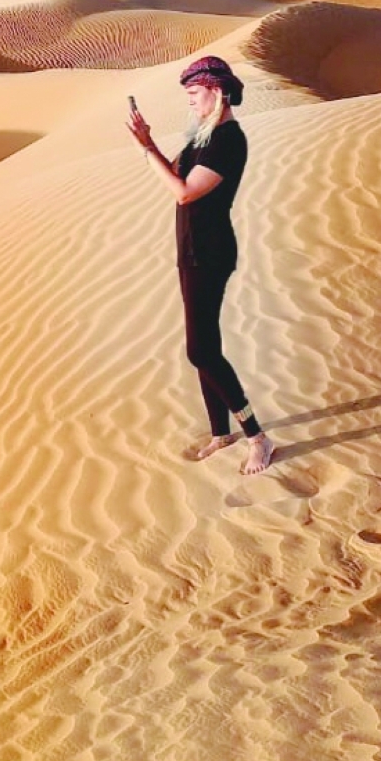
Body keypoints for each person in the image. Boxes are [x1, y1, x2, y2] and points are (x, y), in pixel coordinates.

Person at [126, 56, 274, 475]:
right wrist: (148, 143)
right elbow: (174, 171)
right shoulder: (202, 136)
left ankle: (257, 438)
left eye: (194, 94)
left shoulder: (228, 139)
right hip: (191, 249)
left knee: (200, 350)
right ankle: (220, 432)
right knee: (204, 346)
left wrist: (147, 151)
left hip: (209, 252)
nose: (189, 102)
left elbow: (184, 192)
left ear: (217, 91)